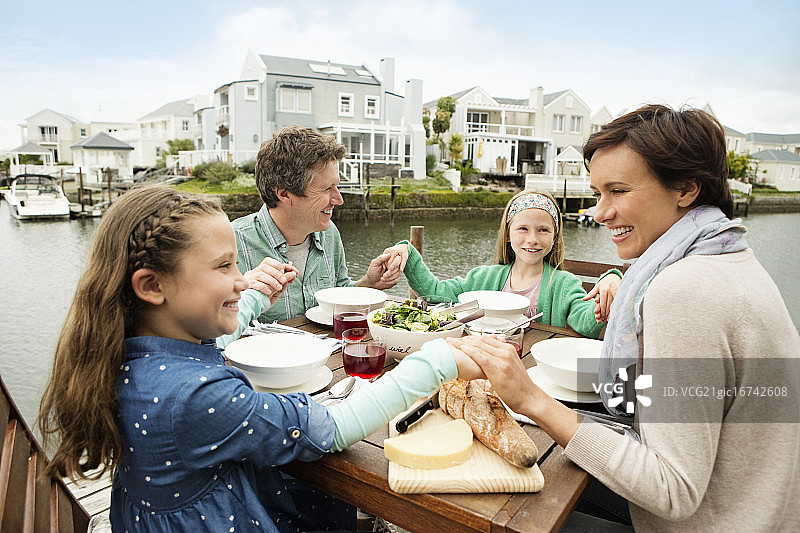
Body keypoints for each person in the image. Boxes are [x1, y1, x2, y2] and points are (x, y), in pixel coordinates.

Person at [37, 185, 498, 533]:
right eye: (224, 266)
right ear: (152, 286)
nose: (240, 279)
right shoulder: (194, 396)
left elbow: (222, 339)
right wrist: (438, 361)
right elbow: (334, 428)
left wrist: (255, 296)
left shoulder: (127, 353)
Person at [454, 105, 800, 531]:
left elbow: (672, 490)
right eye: (598, 193)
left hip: (712, 520)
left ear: (686, 189)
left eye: (617, 191)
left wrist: (530, 400)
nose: (600, 212)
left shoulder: (685, 291)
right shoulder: (728, 256)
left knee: (480, 504)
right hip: (751, 504)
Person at [378, 189, 622, 339]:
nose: (532, 239)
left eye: (543, 230)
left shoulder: (564, 284)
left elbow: (586, 323)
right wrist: (408, 255)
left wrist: (609, 283)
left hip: (533, 370)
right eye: (523, 229)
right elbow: (436, 291)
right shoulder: (484, 278)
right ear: (507, 235)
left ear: (555, 237)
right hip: (484, 364)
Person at [232, 125, 403, 324]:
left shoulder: (329, 233)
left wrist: (369, 283)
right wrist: (241, 299)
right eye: (327, 189)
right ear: (285, 194)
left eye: (336, 186)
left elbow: (339, 293)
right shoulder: (230, 244)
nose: (339, 199)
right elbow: (208, 331)